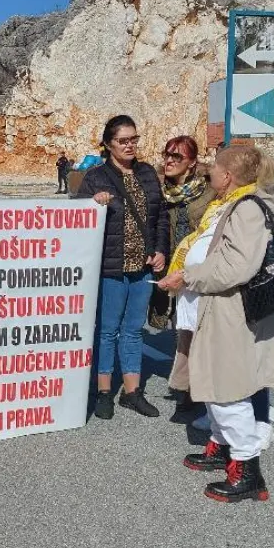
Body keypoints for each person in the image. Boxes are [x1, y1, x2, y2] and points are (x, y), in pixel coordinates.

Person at [158, 143, 274, 503]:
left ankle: (246, 470)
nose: (208, 171)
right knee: (211, 380)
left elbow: (236, 267)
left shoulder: (246, 209)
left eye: (213, 167)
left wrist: (189, 276)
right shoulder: (229, 203)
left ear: (227, 175)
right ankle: (222, 444)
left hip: (229, 310)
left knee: (226, 387)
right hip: (213, 307)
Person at [78, 115, 169, 420]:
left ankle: (132, 392)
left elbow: (160, 217)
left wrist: (160, 251)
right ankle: (103, 391)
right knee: (106, 331)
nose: (130, 145)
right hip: (110, 268)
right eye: (123, 140)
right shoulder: (95, 177)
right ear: (108, 144)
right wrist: (93, 202)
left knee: (133, 331)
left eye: (134, 139)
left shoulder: (146, 174)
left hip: (142, 268)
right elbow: (76, 218)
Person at [151, 136, 216, 422]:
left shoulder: (210, 191)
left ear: (191, 163)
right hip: (168, 269)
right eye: (167, 155)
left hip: (197, 271)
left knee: (197, 331)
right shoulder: (158, 188)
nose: (169, 161)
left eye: (177, 157)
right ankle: (187, 385)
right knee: (181, 329)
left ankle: (194, 393)